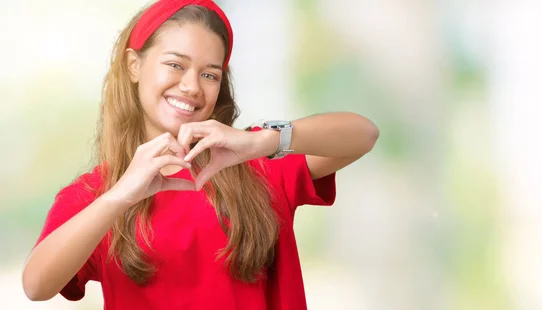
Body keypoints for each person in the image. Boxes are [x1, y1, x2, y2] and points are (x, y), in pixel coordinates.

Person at [21, 0, 379, 309]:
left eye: (210, 74)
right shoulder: (97, 193)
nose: (192, 86)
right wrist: (121, 193)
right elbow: (36, 286)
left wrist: (261, 142)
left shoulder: (253, 163)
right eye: (175, 65)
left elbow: (363, 134)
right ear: (134, 65)